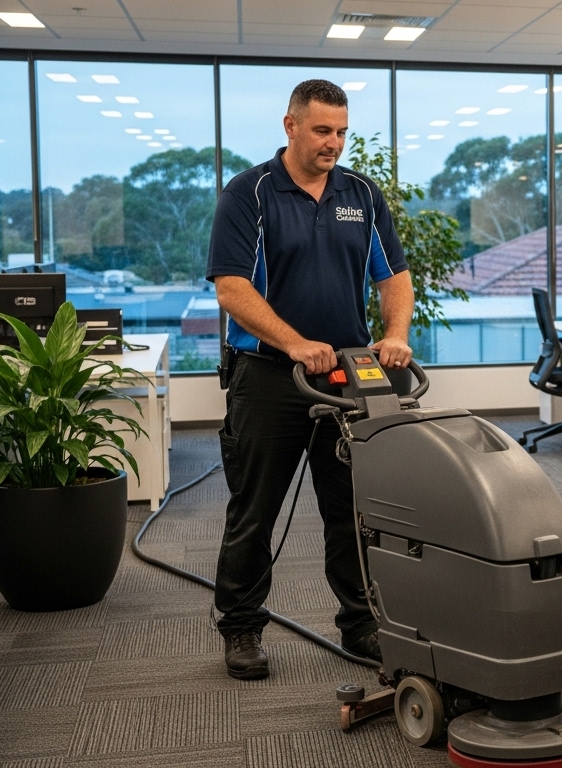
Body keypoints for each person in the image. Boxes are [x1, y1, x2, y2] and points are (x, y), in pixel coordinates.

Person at [206, 79, 414, 680]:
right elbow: (231, 287)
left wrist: (395, 332)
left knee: (350, 507)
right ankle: (241, 627)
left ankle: (360, 622)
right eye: (323, 130)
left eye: (342, 132)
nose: (334, 143)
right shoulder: (250, 194)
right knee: (255, 507)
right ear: (290, 125)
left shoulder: (361, 194)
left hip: (347, 378)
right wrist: (296, 344)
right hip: (268, 376)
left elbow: (393, 276)